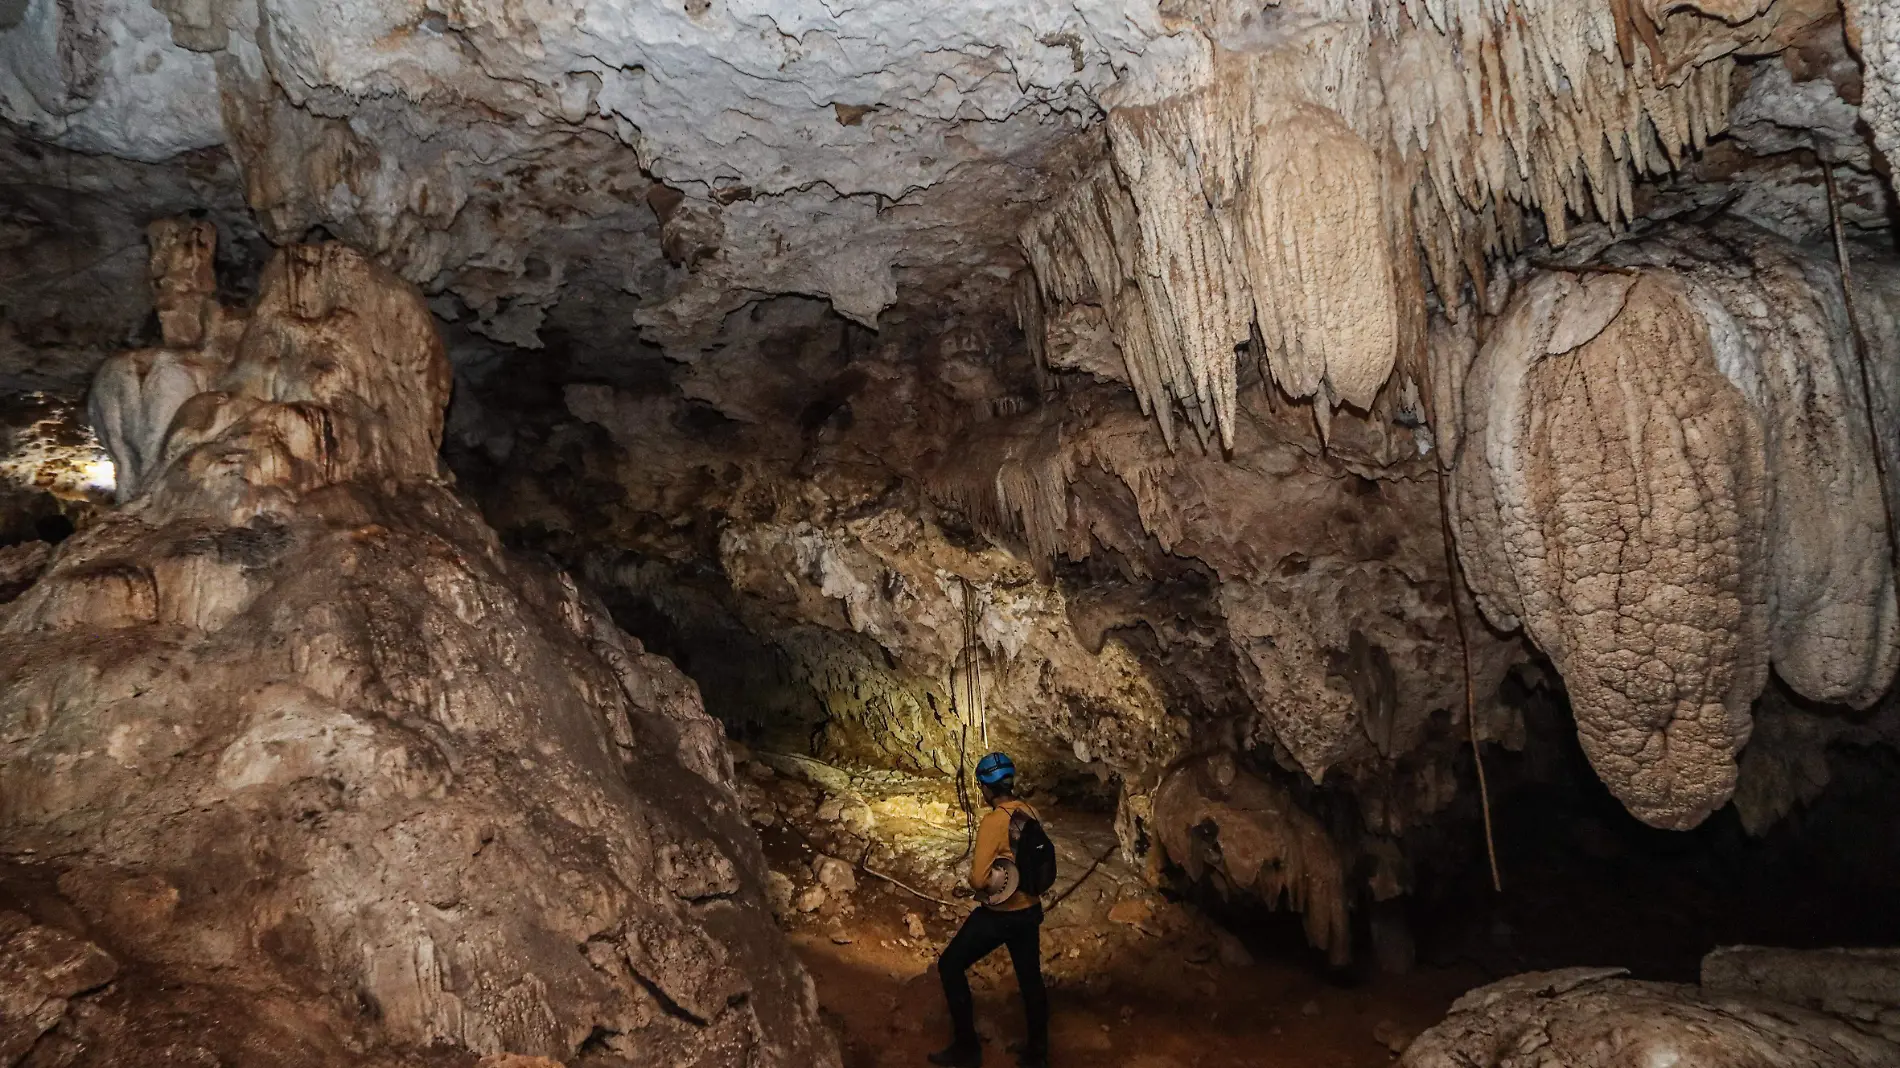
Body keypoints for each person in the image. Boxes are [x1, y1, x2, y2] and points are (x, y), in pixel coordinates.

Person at [929, 752, 1048, 1068]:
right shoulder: (1029, 811)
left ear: (985, 787)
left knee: (950, 965)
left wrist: (988, 881)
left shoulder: (994, 821)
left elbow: (979, 878)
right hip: (1030, 911)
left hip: (1002, 915)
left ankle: (967, 1050)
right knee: (1030, 980)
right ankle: (1038, 1054)